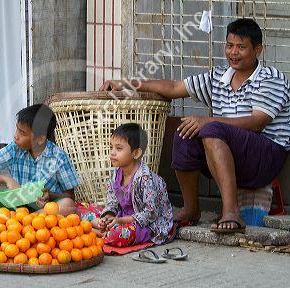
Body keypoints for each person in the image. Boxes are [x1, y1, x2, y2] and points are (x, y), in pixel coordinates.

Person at [100, 18, 289, 233]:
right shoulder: (219, 76)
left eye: (241, 47)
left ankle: (231, 211)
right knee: (185, 131)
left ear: (258, 50)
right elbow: (173, 87)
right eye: (229, 46)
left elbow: (257, 122)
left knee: (209, 128)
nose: (233, 52)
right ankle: (191, 208)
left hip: (265, 157)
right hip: (226, 154)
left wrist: (209, 121)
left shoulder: (271, 78)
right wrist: (125, 84)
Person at [0, 104, 82, 218]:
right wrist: (6, 179)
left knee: (67, 205)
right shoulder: (14, 149)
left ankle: (23, 222)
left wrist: (50, 195)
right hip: (15, 206)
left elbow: (70, 196)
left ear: (40, 139)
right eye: (17, 129)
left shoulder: (58, 157)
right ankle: (21, 222)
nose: (16, 136)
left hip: (44, 209)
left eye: (22, 133)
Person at [93, 123, 173, 246]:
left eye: (119, 149)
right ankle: (103, 229)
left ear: (136, 153)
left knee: (120, 234)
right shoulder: (116, 175)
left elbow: (151, 213)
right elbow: (112, 202)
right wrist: (109, 216)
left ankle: (101, 233)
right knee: (84, 210)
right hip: (121, 217)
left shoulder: (146, 179)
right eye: (111, 147)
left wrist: (120, 221)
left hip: (147, 224)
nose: (112, 153)